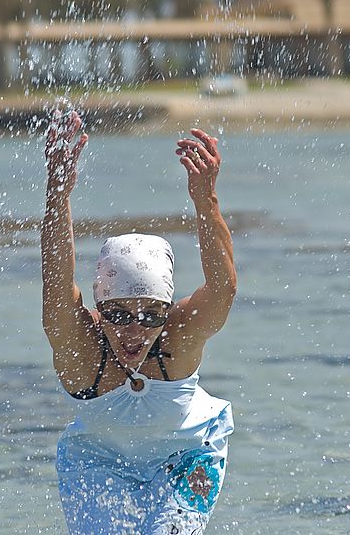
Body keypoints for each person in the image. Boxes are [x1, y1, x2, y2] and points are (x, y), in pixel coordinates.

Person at [40, 110, 237, 534]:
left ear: (167, 312)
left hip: (188, 455)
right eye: (117, 315)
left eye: (150, 315)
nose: (134, 330)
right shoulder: (81, 348)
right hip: (95, 462)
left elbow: (222, 290)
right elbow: (56, 281)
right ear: (97, 309)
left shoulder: (178, 338)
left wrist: (206, 197)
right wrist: (58, 193)